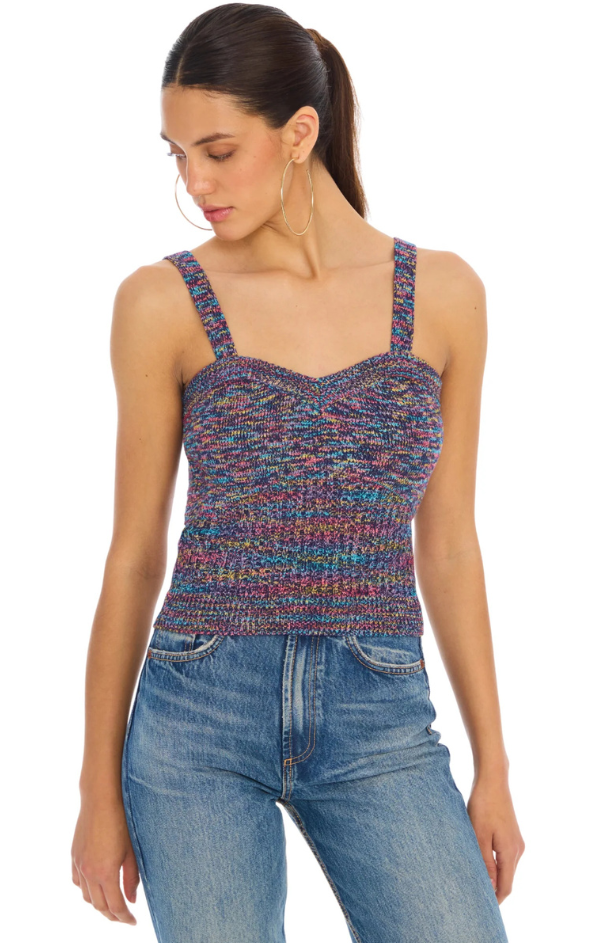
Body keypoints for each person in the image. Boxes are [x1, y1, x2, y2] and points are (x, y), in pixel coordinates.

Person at [71, 4, 525, 941]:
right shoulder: (163, 301)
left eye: (218, 151)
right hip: (197, 715)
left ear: (299, 133)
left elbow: (449, 546)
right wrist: (96, 789)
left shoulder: (444, 295)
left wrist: (494, 765)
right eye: (177, 155)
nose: (194, 182)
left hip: (381, 714)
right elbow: (133, 555)